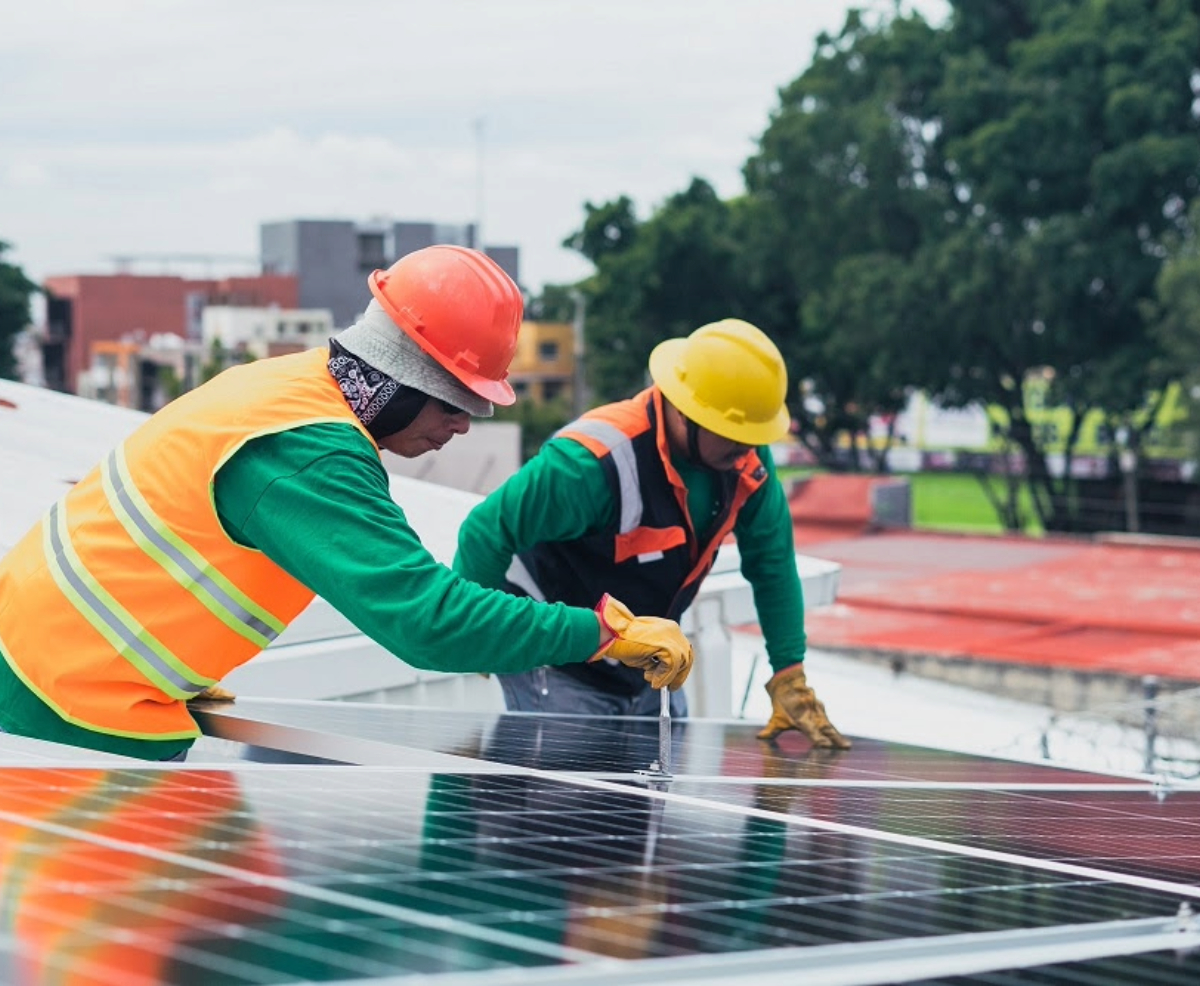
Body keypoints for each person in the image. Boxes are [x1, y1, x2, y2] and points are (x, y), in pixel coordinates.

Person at [0, 246, 693, 761]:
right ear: (401, 378)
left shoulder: (294, 385)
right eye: (458, 401)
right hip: (68, 690)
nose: (463, 425)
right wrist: (602, 632)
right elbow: (426, 621)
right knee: (140, 930)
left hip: (56, 650)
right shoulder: (309, 454)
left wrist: (180, 663)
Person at [452, 317, 849, 749]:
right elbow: (485, 531)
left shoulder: (745, 465)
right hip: (559, 662)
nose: (747, 449)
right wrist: (479, 637)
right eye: (735, 434)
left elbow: (772, 565)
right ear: (685, 411)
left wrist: (789, 673)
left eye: (753, 437)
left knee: (647, 800)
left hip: (648, 664)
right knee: (569, 801)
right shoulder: (591, 463)